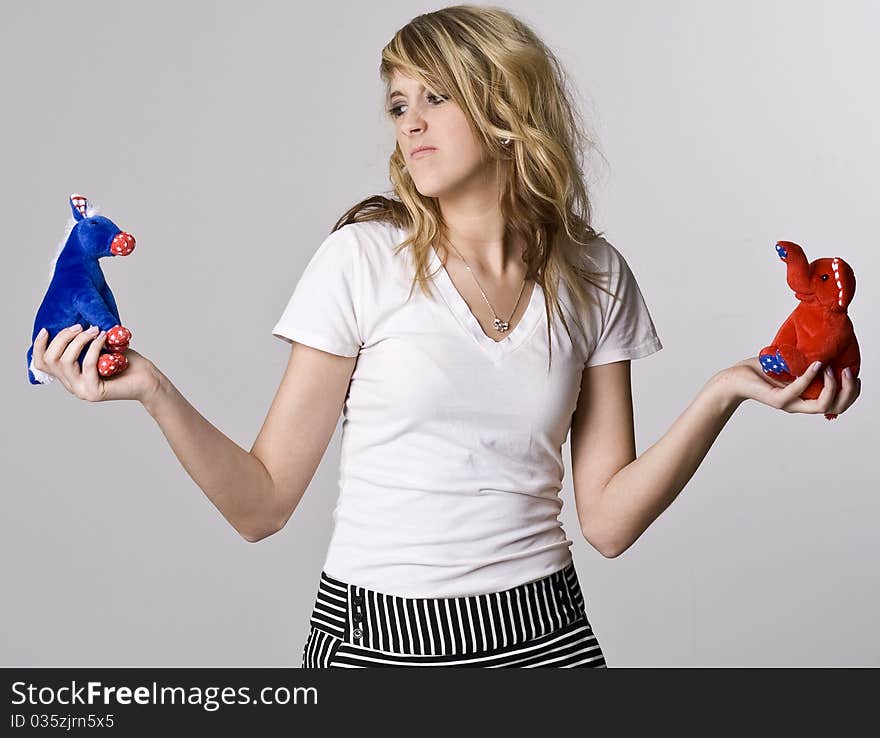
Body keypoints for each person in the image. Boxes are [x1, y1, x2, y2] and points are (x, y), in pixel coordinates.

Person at [30, 5, 861, 669]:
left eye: (436, 97)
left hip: (545, 640)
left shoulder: (595, 274)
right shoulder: (362, 259)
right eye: (399, 103)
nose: (410, 124)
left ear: (506, 111)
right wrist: (151, 389)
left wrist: (726, 390)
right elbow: (262, 504)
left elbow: (605, 522)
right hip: (369, 646)